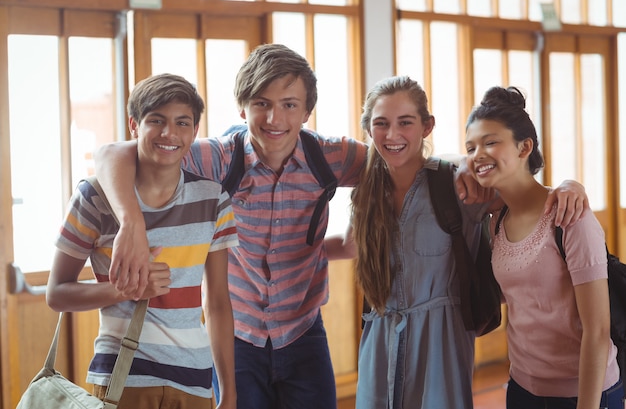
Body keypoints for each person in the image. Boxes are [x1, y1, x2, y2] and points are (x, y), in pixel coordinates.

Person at [95, 47, 585, 409]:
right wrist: (131, 223)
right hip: (238, 336)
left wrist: (563, 182)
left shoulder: (330, 155)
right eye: (262, 103)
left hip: (303, 334)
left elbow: (421, 160)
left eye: (290, 104)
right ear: (243, 108)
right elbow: (112, 154)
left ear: (307, 112)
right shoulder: (217, 157)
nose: (275, 118)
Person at [326, 75, 590, 409]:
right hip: (379, 339)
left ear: (427, 126)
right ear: (368, 128)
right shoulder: (368, 189)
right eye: (381, 124)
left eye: (405, 122)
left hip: (441, 343)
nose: (392, 135)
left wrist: (568, 186)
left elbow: (524, 194)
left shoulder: (457, 185)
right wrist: (296, 250)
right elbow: (352, 244)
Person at [46, 73, 238, 409]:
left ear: (194, 131)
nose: (169, 133)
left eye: (182, 122)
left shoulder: (213, 199)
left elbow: (218, 303)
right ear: (134, 125)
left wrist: (229, 392)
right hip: (122, 378)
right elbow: (57, 293)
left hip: (194, 379)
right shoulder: (94, 198)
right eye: (156, 121)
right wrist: (123, 289)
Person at [465, 86, 623, 409]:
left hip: (583, 393)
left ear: (525, 148)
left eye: (491, 142)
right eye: (471, 147)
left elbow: (597, 330)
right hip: (522, 387)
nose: (477, 154)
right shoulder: (497, 218)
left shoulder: (571, 218)